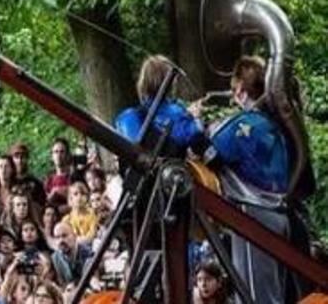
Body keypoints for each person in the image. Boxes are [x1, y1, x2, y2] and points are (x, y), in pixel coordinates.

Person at [204, 56, 299, 304]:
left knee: (255, 298)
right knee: (271, 295)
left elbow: (206, 146)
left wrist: (193, 120)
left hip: (252, 216)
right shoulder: (274, 126)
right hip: (277, 216)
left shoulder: (245, 124)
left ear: (240, 89)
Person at [114, 56, 206, 156]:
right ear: (169, 81)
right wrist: (196, 117)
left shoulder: (128, 118)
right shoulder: (176, 111)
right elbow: (191, 136)